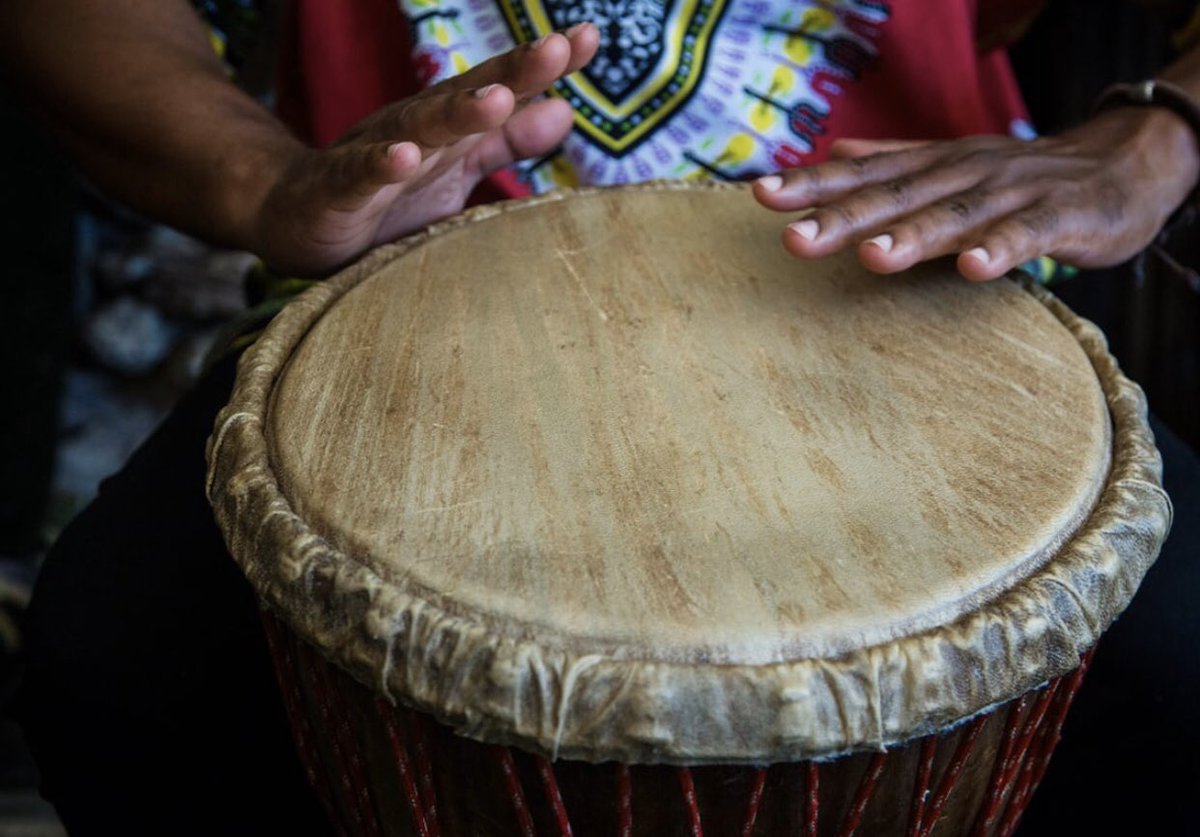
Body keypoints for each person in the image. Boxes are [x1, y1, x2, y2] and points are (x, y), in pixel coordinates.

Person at [0, 0, 1196, 833]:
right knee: (116, 665)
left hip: (928, 284)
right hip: (398, 283)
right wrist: (262, 177)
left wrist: (1157, 135)